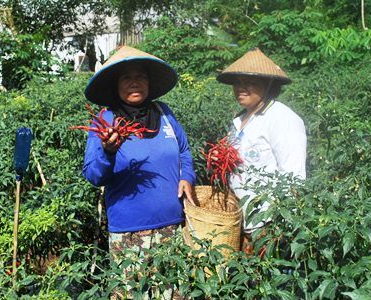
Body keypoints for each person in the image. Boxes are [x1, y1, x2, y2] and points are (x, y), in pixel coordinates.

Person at [82, 46, 195, 297]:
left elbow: (185, 151)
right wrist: (108, 152)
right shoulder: (106, 120)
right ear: (116, 85)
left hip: (173, 228)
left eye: (141, 76)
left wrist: (187, 177)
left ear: (149, 82)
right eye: (126, 77)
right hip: (129, 232)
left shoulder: (164, 113)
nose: (135, 83)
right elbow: (92, 174)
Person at [216, 48, 307, 253]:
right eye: (237, 82)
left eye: (250, 82)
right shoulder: (241, 119)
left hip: (267, 226)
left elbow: (293, 178)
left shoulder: (283, 119)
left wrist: (275, 227)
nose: (241, 87)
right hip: (242, 222)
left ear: (268, 85)